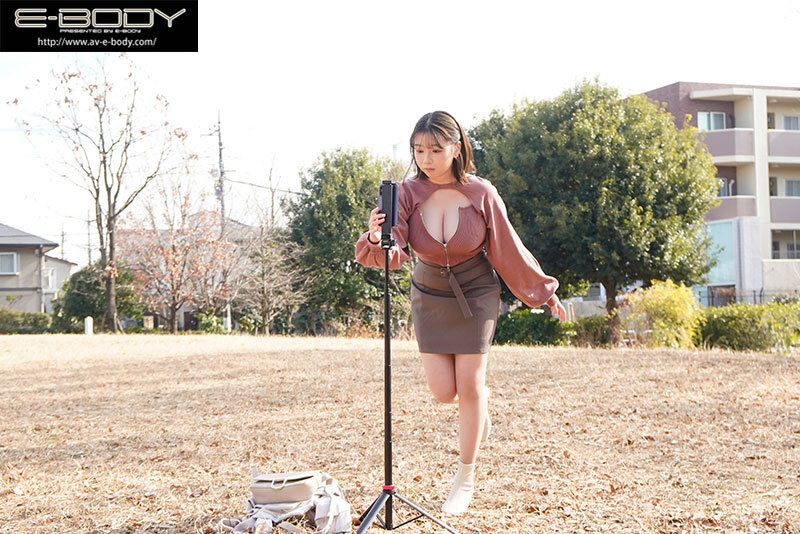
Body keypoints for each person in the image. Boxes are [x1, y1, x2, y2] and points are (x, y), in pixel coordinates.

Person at [354, 111, 566, 515]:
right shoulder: (406, 193)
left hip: (477, 291)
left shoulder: (481, 192)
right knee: (443, 392)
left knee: (469, 384)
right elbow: (395, 252)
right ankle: (479, 405)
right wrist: (377, 236)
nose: (426, 159)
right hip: (429, 294)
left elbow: (508, 247)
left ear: (456, 148)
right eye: (419, 150)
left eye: (435, 150)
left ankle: (465, 478)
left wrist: (544, 292)